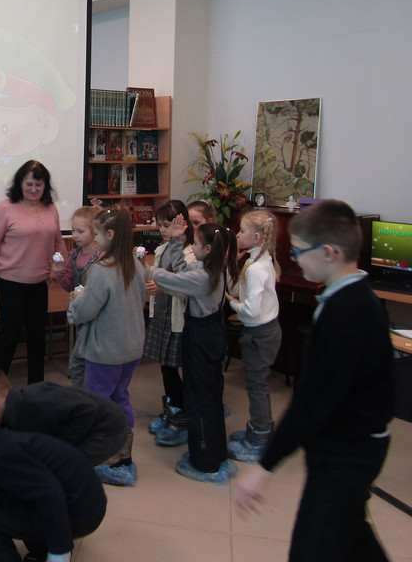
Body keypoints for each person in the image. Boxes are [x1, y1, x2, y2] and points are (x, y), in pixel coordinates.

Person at [233, 200, 395, 561]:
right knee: (351, 533)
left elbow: (312, 401)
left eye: (298, 252)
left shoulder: (347, 313)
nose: (294, 259)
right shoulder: (353, 299)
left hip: (347, 452)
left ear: (328, 252)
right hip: (352, 443)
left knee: (314, 545)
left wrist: (264, 466)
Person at [0, 389, 107, 562]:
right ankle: (40, 551)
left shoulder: (2, 456)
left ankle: (50, 549)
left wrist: (59, 553)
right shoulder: (3, 439)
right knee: (12, 503)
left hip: (81, 512)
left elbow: (50, 494)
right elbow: (7, 483)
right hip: (87, 498)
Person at [142, 219, 239, 484]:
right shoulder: (212, 269)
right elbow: (183, 270)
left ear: (208, 249)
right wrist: (175, 241)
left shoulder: (203, 277)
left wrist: (146, 267)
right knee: (211, 397)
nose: (192, 248)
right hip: (210, 338)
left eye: (195, 243)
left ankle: (205, 462)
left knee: (198, 400)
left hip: (200, 341)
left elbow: (170, 277)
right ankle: (216, 454)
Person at [68, 206, 147, 485]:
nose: (96, 238)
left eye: (98, 233)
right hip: (131, 347)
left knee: (97, 401)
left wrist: (77, 299)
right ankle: (123, 455)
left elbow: (85, 312)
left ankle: (105, 455)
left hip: (105, 351)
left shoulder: (102, 271)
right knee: (120, 396)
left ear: (110, 235)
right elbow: (140, 299)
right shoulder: (136, 264)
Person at [0, 160, 67, 384]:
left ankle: (36, 388)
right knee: (9, 337)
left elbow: (58, 243)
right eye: (29, 184)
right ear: (20, 184)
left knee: (37, 338)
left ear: (45, 186)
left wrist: (65, 272)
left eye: (38, 185)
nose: (34, 189)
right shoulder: (5, 208)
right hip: (11, 284)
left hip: (40, 283)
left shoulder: (51, 208)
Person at [0, 364, 127, 466]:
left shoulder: (36, 402)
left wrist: (59, 445)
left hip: (107, 429)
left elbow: (87, 409)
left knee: (61, 465)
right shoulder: (11, 412)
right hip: (85, 422)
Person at [225, 209, 282, 463]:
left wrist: (231, 303)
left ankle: (260, 439)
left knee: (257, 386)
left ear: (257, 237)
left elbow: (250, 309)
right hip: (259, 331)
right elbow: (239, 288)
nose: (238, 235)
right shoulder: (255, 260)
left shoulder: (257, 268)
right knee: (255, 383)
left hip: (261, 333)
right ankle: (259, 430)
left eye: (242, 231)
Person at [141, 200, 196, 447]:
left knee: (174, 368)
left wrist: (163, 288)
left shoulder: (190, 254)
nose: (162, 230)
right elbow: (154, 277)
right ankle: (172, 409)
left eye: (166, 225)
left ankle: (182, 416)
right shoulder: (162, 249)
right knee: (165, 367)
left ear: (181, 224)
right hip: (161, 316)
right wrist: (142, 266)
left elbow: (186, 289)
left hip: (177, 320)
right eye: (160, 225)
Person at [53, 205, 104, 388]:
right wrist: (60, 271)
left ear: (95, 231)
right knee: (81, 360)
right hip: (81, 314)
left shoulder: (101, 255)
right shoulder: (73, 255)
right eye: (73, 230)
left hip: (97, 317)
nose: (75, 235)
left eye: (80, 231)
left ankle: (85, 395)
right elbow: (69, 286)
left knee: (80, 362)